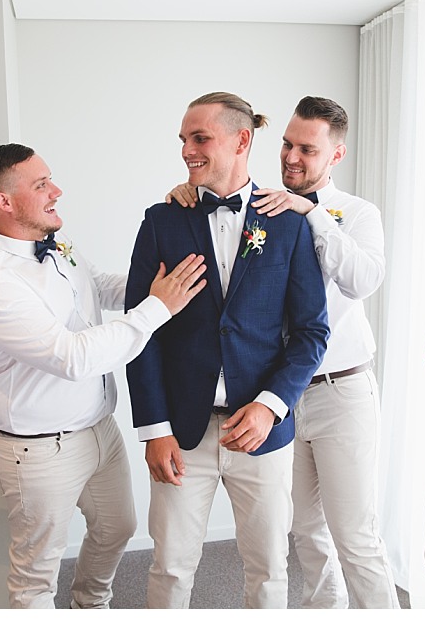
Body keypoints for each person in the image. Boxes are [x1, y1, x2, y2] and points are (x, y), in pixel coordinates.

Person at [0, 143, 206, 609]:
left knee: (118, 529)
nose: (57, 191)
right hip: (39, 450)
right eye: (41, 185)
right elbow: (73, 357)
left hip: (99, 430)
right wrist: (158, 307)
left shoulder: (55, 243)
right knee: (36, 576)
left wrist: (168, 280)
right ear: (4, 202)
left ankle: (90, 605)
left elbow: (102, 287)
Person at [125, 92, 329, 609]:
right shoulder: (161, 221)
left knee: (269, 569)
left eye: (200, 138)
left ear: (241, 141)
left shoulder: (287, 223)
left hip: (261, 430)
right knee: (170, 566)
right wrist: (154, 428)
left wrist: (270, 407)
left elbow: (312, 332)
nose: (187, 151)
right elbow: (139, 333)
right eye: (183, 140)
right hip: (180, 432)